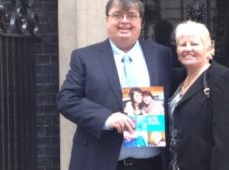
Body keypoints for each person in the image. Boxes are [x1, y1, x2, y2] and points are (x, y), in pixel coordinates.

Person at [57, 0, 173, 169]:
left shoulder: (162, 55)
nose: (124, 21)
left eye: (131, 16)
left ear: (141, 21)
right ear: (107, 19)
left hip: (153, 163)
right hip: (101, 161)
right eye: (117, 15)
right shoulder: (85, 57)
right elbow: (66, 100)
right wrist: (106, 118)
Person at [168, 20, 229, 170]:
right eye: (183, 44)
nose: (188, 49)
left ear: (209, 48)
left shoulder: (221, 78)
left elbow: (227, 142)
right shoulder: (179, 80)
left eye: (194, 44)